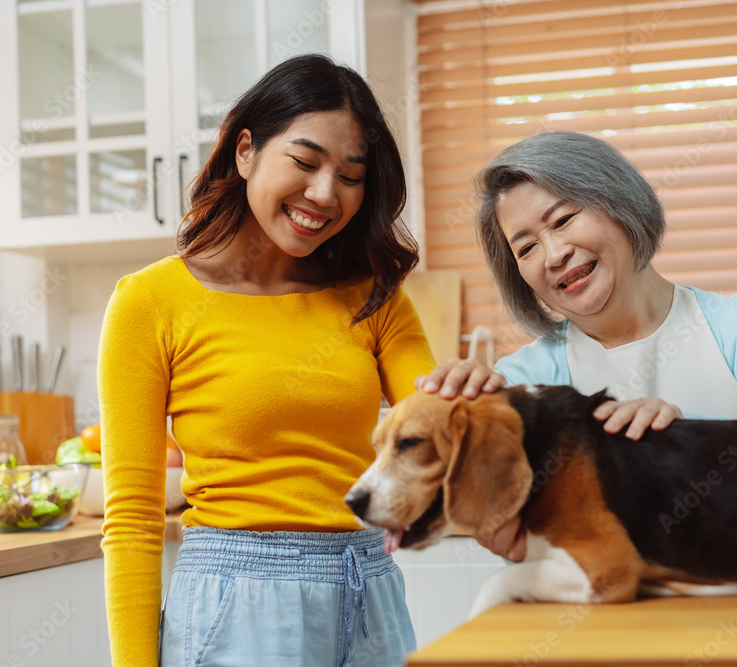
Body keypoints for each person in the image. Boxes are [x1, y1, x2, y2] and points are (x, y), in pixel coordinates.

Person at [98, 54, 472, 667]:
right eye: (304, 161)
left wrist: (472, 396)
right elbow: (133, 519)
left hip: (370, 592)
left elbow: (437, 435)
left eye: (350, 175)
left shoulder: (373, 297)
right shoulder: (150, 302)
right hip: (236, 608)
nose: (324, 193)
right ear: (246, 151)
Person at [433, 130, 737, 561]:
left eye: (563, 220)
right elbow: (497, 511)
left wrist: (685, 440)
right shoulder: (521, 380)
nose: (553, 255)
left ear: (619, 201)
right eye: (526, 247)